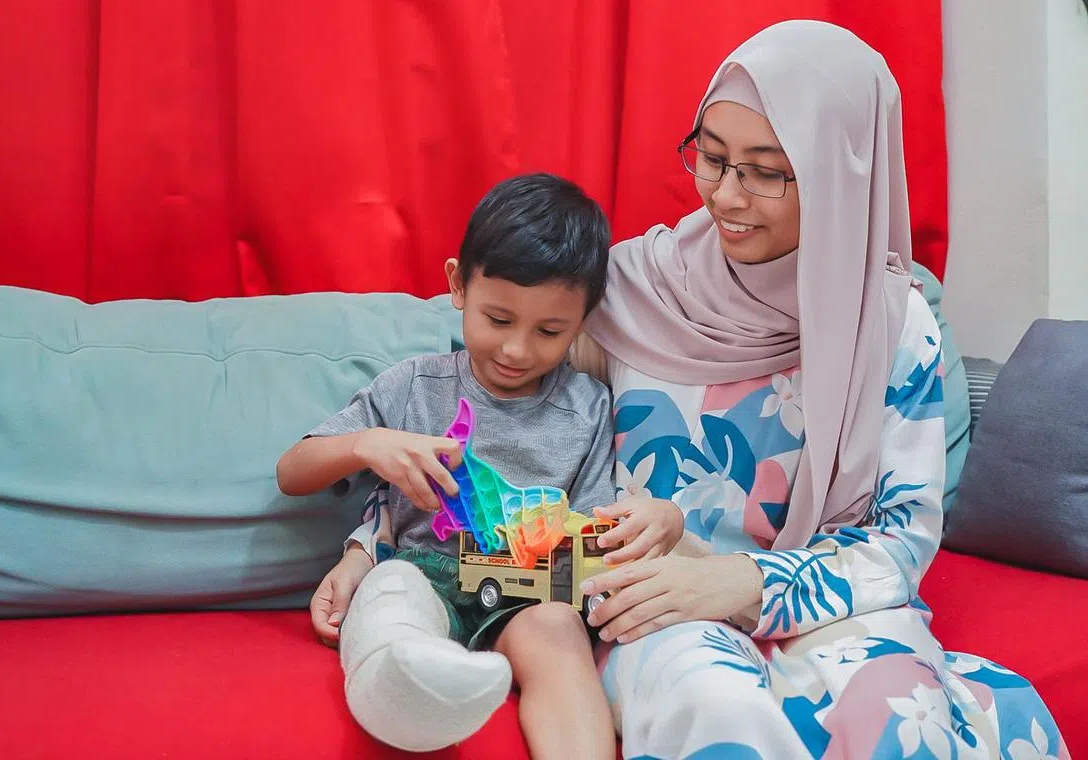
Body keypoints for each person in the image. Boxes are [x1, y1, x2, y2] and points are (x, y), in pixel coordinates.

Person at [569, 19, 1069, 760]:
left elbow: (902, 538)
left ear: (843, 171)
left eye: (765, 172)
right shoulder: (629, 291)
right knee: (714, 708)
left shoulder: (892, 323)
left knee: (899, 716)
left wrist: (748, 583)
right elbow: (527, 431)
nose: (725, 195)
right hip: (660, 603)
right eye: (712, 158)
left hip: (835, 606)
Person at [277, 173, 660, 759]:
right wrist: (366, 444)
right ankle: (421, 689)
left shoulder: (588, 409)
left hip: (530, 596)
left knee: (557, 630)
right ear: (458, 285)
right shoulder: (414, 386)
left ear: (584, 320)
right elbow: (292, 471)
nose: (517, 350)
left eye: (549, 331)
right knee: (391, 593)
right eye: (498, 319)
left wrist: (626, 531)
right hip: (422, 572)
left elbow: (590, 531)